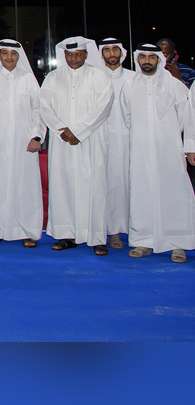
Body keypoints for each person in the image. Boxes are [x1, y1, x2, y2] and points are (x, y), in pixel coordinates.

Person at [40, 36, 114, 255]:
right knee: (63, 186)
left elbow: (104, 107)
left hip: (90, 141)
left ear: (86, 55)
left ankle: (97, 237)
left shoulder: (99, 77)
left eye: (78, 55)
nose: (74, 59)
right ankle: (67, 235)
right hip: (62, 141)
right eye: (70, 55)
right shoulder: (53, 78)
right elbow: (44, 106)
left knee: (94, 187)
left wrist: (78, 131)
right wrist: (62, 129)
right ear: (64, 55)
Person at [122, 44, 195, 263]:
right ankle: (144, 240)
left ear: (159, 60)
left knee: (174, 194)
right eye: (143, 56)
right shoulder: (129, 85)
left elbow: (187, 119)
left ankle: (178, 243)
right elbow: (127, 117)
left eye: (151, 57)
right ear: (137, 59)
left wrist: (188, 146)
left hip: (169, 149)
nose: (147, 61)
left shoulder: (175, 85)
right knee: (142, 192)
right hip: (141, 149)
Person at [0, 39, 45, 248]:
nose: (9, 57)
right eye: (5, 53)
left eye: (13, 54)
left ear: (19, 56)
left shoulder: (29, 79)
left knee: (26, 187)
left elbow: (39, 110)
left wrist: (37, 137)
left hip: (25, 144)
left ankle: (28, 231)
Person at [98, 37, 136, 249]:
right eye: (107, 50)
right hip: (104, 140)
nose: (112, 54)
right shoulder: (95, 77)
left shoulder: (134, 77)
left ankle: (135, 229)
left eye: (115, 50)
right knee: (110, 185)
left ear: (122, 53)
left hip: (131, 139)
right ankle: (112, 230)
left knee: (132, 184)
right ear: (101, 54)